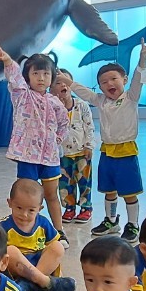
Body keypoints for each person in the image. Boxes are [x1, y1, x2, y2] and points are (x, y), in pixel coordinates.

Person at [73, 40, 146, 244]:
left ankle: (133, 224)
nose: (109, 84)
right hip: (107, 152)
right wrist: (68, 82)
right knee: (109, 189)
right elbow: (85, 93)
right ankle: (111, 221)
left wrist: (142, 60)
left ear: (124, 80)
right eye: (103, 81)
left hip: (126, 151)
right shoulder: (101, 100)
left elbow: (138, 79)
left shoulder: (131, 97)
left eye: (114, 79)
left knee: (130, 192)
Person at [0, 43, 69, 241]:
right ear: (28, 76)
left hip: (50, 158)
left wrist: (56, 140)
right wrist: (8, 61)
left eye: (46, 74)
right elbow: (15, 80)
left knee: (51, 195)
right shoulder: (22, 96)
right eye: (36, 73)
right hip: (27, 156)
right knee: (27, 196)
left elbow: (63, 123)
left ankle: (58, 231)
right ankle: (28, 231)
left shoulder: (55, 102)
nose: (41, 78)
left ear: (52, 78)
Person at [0, 179, 75, 291]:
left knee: (58, 247)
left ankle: (28, 285)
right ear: (10, 203)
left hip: (40, 264)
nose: (24, 214)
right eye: (19, 208)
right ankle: (45, 283)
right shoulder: (2, 226)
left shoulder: (43, 223)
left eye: (31, 210)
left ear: (40, 208)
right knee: (10, 251)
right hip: (17, 267)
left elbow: (52, 247)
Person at [55, 68, 94, 225]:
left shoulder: (81, 105)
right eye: (58, 83)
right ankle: (69, 208)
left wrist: (89, 146)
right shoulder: (53, 108)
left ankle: (86, 208)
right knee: (65, 183)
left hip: (81, 152)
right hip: (62, 154)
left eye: (66, 82)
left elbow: (89, 126)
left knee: (84, 181)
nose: (63, 85)